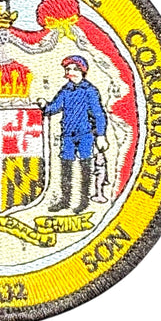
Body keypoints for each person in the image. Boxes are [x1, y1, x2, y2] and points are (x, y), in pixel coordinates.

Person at [40, 55, 109, 214]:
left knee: (86, 166)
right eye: (68, 69)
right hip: (68, 135)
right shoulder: (65, 91)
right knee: (66, 167)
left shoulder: (90, 91)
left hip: (85, 134)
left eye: (74, 69)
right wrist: (44, 106)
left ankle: (84, 201)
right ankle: (65, 200)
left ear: (82, 71)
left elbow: (98, 114)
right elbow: (54, 107)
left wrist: (101, 135)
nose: (70, 72)